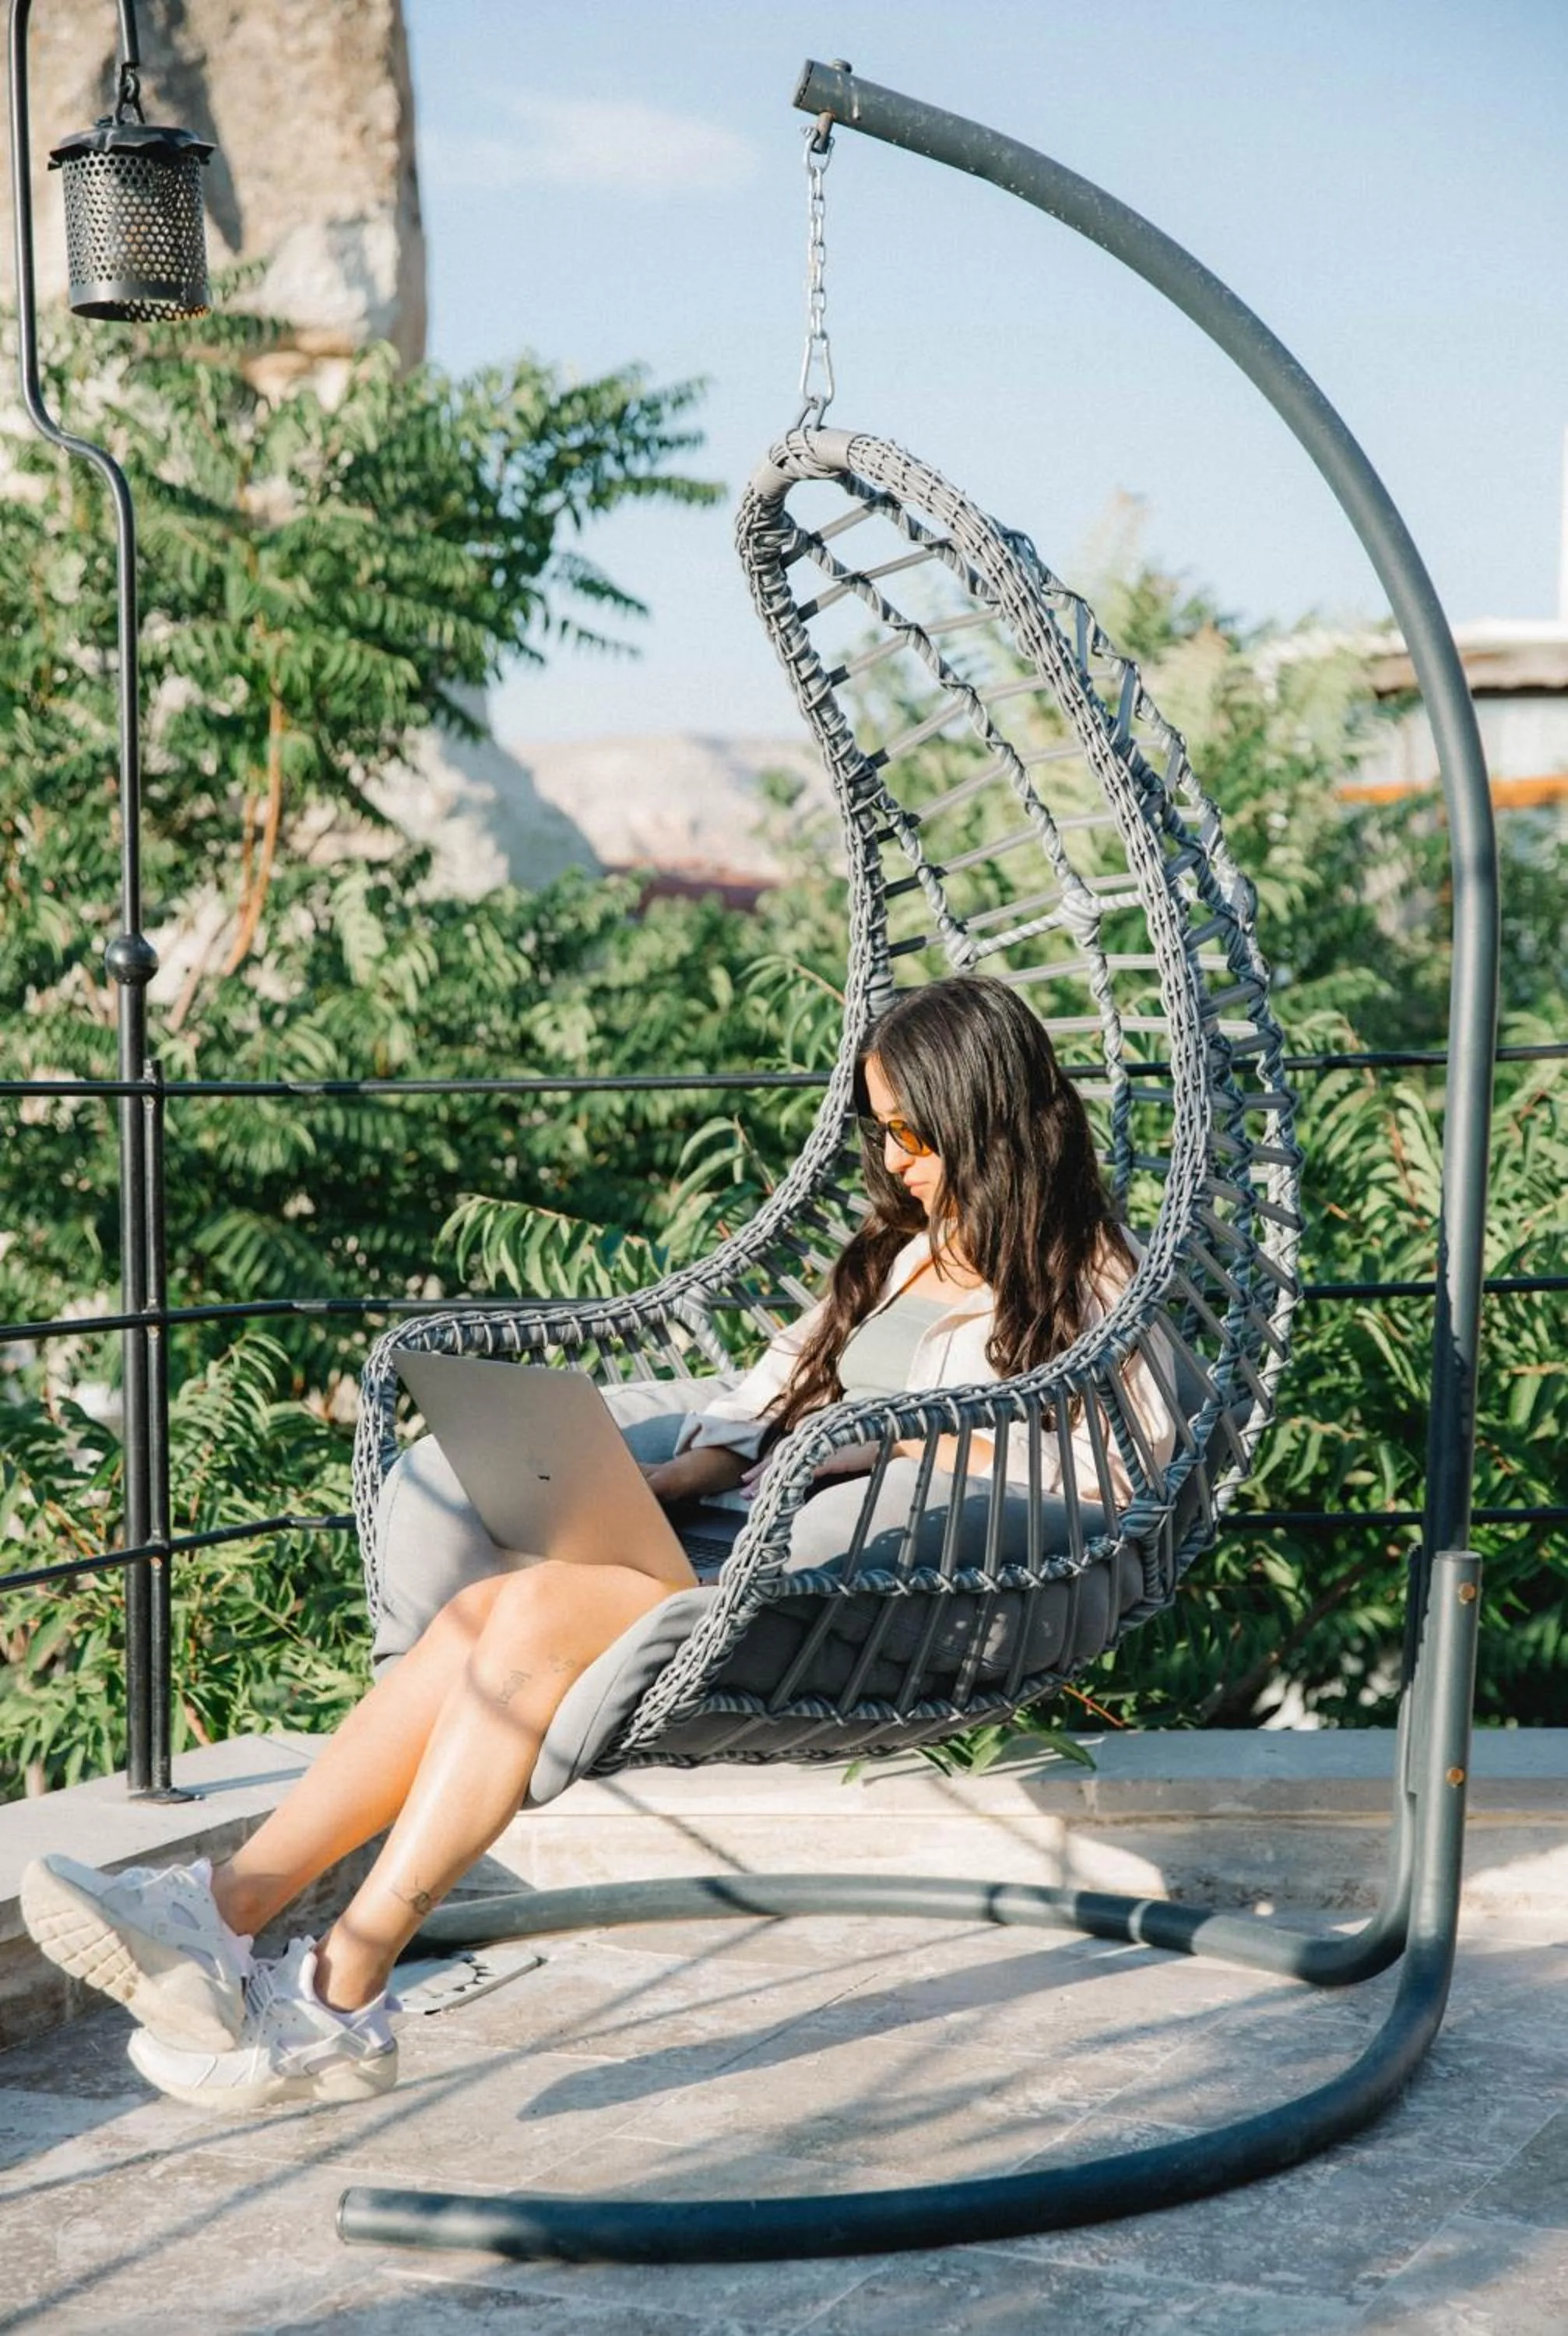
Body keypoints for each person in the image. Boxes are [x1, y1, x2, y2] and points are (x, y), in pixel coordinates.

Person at [22, 975, 1173, 2113]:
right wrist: (683, 1473)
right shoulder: (902, 1253)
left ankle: (317, 1979)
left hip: (842, 1581)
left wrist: (891, 1450)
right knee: (484, 1614)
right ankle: (243, 1931)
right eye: (880, 1137)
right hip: (742, 1530)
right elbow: (773, 1389)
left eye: (913, 1135)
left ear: (987, 1120)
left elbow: (1114, 1482)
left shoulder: (1094, 1285)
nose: (895, 1165)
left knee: (515, 1623)